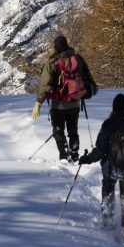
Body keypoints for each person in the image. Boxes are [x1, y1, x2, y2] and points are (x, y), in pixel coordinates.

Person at [79, 92, 124, 242]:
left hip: (111, 169)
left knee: (108, 191)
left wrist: (86, 159)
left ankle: (107, 222)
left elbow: (100, 150)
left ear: (113, 108)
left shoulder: (108, 125)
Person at [32, 34, 97, 162]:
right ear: (67, 45)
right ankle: (74, 154)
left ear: (55, 47)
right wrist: (86, 92)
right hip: (75, 103)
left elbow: (45, 85)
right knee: (73, 131)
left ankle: (64, 155)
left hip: (58, 105)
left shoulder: (52, 62)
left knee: (58, 131)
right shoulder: (78, 59)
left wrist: (38, 103)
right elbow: (89, 80)